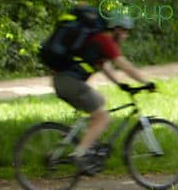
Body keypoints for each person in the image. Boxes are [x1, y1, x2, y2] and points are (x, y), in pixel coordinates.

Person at [52, 13, 149, 172]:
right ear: (117, 29)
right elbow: (124, 65)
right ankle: (79, 154)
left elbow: (103, 67)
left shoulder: (97, 41)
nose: (126, 36)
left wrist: (120, 84)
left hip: (63, 81)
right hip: (70, 83)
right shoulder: (104, 40)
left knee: (100, 101)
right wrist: (146, 82)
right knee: (103, 117)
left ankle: (87, 144)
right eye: (125, 31)